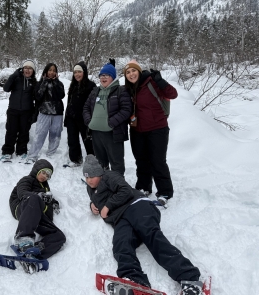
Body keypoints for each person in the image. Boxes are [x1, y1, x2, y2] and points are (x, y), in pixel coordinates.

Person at [82, 154, 203, 295]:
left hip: (137, 206)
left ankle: (189, 277)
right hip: (121, 218)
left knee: (151, 236)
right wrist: (92, 205)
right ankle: (134, 281)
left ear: (99, 173)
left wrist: (108, 206)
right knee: (121, 244)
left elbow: (125, 190)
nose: (89, 180)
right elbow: (97, 199)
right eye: (86, 177)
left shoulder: (109, 176)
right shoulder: (90, 188)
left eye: (92, 176)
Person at [123, 60, 178, 205]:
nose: (131, 74)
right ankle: (143, 187)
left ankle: (165, 192)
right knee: (141, 161)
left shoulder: (151, 82)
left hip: (157, 129)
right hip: (136, 130)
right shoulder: (128, 89)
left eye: (133, 71)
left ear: (139, 71)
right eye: (128, 72)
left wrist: (161, 81)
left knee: (158, 161)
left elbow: (173, 94)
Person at [8, 159, 66, 273]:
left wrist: (54, 204)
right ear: (37, 170)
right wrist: (39, 196)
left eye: (48, 175)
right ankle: (23, 240)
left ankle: (33, 255)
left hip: (37, 216)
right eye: (44, 172)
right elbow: (22, 193)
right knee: (34, 198)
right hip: (23, 208)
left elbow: (48, 201)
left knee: (59, 236)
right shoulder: (27, 180)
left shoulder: (46, 189)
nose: (45, 176)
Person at [83, 61, 132, 175]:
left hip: (112, 133)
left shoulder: (121, 90)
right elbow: (86, 107)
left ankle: (118, 184)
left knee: (116, 162)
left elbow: (126, 110)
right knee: (100, 161)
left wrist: (110, 123)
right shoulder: (96, 91)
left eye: (107, 75)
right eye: (101, 75)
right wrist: (89, 121)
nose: (103, 78)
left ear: (113, 77)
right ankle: (103, 182)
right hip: (96, 133)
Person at [25, 63, 65, 164]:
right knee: (40, 134)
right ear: (46, 71)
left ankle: (51, 154)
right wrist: (45, 82)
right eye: (50, 70)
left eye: (54, 70)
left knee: (55, 134)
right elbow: (38, 96)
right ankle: (32, 155)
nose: (51, 72)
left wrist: (55, 82)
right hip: (44, 112)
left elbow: (61, 95)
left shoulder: (59, 84)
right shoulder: (40, 83)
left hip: (57, 112)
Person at [0, 60, 37, 163]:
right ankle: (7, 151)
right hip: (13, 110)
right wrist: (13, 75)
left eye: (30, 68)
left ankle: (21, 151)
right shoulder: (16, 79)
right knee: (11, 131)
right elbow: (6, 88)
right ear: (22, 69)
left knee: (24, 132)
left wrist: (35, 113)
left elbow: (37, 98)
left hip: (27, 111)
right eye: (26, 68)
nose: (27, 70)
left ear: (33, 71)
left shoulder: (34, 82)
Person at [64, 61, 95, 167]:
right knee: (72, 140)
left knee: (88, 140)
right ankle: (75, 159)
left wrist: (92, 118)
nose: (77, 74)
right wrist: (66, 117)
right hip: (71, 117)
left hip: (85, 118)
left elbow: (93, 104)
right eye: (75, 72)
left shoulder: (91, 86)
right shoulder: (73, 85)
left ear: (84, 72)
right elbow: (69, 102)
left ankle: (92, 160)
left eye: (79, 72)